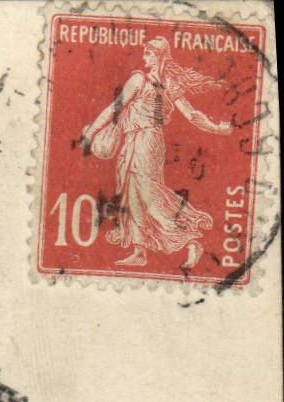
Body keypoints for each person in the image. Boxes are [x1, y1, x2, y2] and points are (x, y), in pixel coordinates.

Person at [80, 37, 232, 269]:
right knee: (132, 195)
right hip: (137, 141)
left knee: (149, 195)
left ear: (160, 56)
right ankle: (140, 251)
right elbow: (190, 114)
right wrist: (216, 128)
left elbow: (115, 108)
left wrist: (90, 133)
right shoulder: (163, 83)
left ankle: (190, 240)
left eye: (149, 54)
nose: (144, 58)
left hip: (145, 141)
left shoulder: (141, 80)